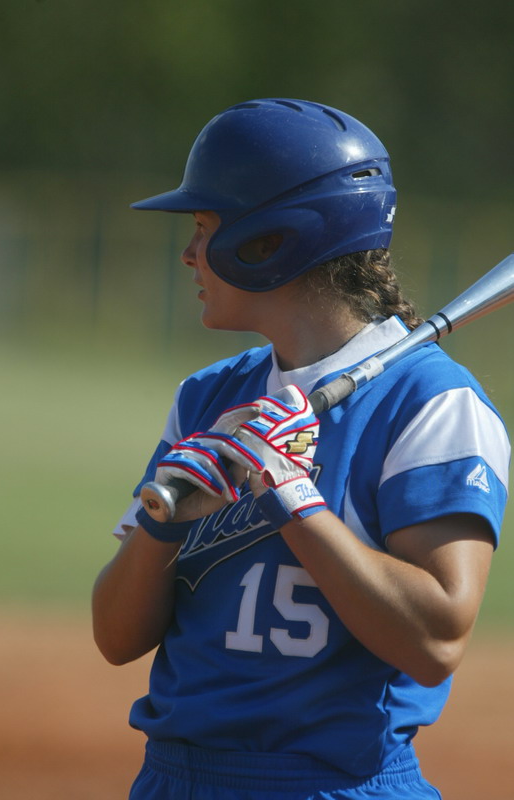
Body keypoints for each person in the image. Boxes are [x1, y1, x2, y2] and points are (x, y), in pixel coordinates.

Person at [92, 98, 510, 800]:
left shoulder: (431, 403)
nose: (188, 254)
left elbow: (436, 641)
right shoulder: (207, 397)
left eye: (204, 229)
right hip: (174, 781)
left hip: (331, 785)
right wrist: (161, 527)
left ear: (268, 242)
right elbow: (114, 637)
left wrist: (293, 500)